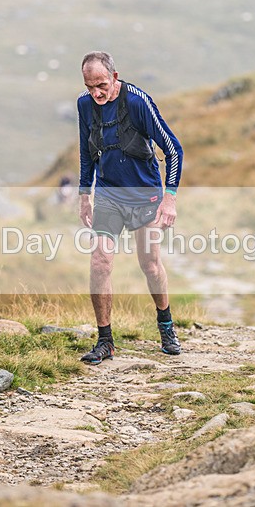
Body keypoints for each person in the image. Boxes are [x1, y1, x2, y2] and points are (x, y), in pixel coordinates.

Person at [76, 51, 184, 365]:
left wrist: (170, 197)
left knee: (150, 264)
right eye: (89, 86)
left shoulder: (137, 102)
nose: (96, 92)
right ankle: (105, 341)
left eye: (101, 84)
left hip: (145, 197)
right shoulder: (85, 106)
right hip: (109, 195)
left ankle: (165, 326)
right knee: (100, 261)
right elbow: (87, 152)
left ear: (114, 77)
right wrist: (85, 195)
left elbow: (173, 149)